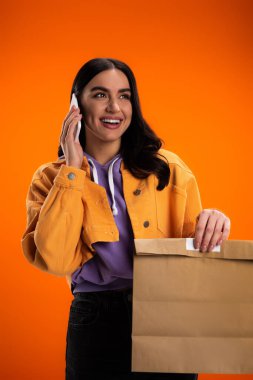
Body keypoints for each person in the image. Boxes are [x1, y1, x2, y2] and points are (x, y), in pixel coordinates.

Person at [21, 58, 231, 380]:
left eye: (124, 95)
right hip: (94, 320)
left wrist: (213, 220)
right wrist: (73, 170)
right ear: (76, 103)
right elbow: (54, 259)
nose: (114, 107)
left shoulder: (168, 167)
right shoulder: (51, 178)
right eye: (100, 95)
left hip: (168, 315)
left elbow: (196, 255)